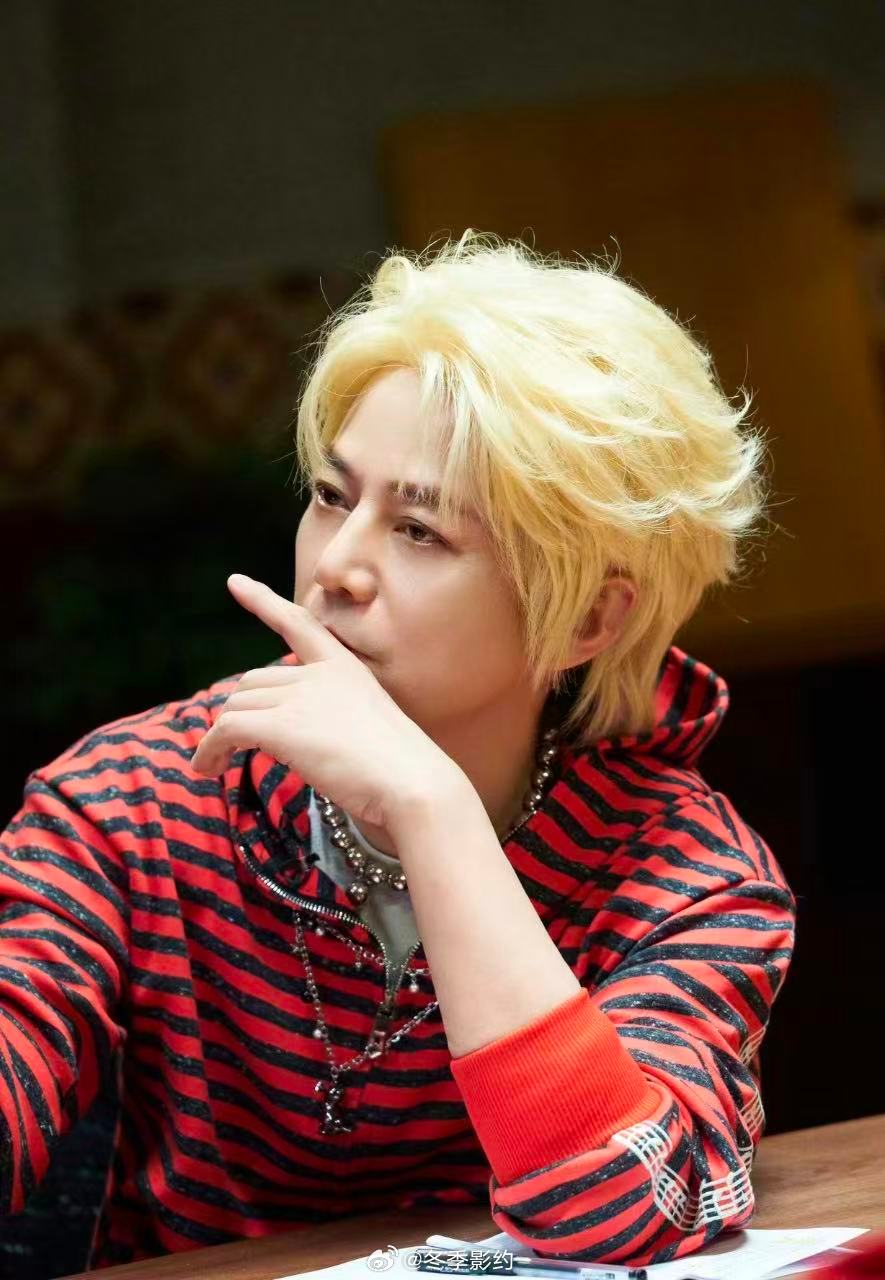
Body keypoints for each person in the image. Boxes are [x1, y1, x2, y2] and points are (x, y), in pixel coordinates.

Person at [0, 230, 795, 1271]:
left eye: (419, 531)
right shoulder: (127, 804)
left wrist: (433, 811)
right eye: (332, 496)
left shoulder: (692, 876)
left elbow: (617, 1209)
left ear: (587, 619)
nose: (335, 566)